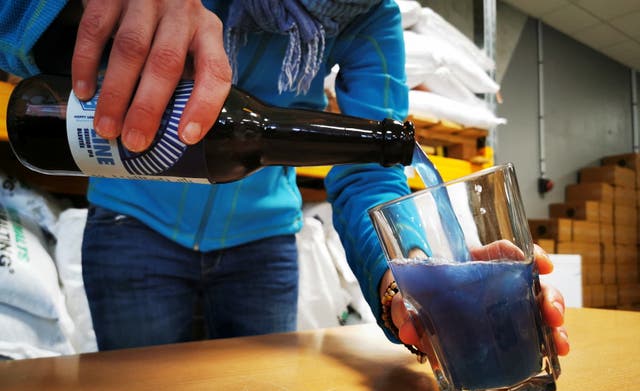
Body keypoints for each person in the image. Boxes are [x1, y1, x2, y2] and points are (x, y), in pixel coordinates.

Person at [0, 0, 569, 357]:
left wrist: (410, 275)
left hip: (263, 248)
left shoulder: (366, 14)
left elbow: (374, 168)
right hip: (131, 228)